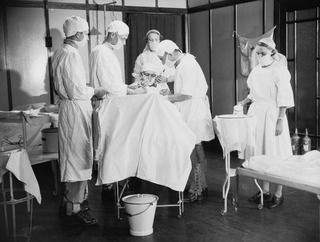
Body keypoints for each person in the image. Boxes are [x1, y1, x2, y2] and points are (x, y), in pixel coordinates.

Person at [52, 16, 106, 225]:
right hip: (75, 109)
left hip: (69, 109)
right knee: (77, 158)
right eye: (85, 34)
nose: (86, 38)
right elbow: (77, 90)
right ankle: (76, 208)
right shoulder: (72, 55)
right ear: (79, 34)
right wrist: (96, 90)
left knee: (72, 157)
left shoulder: (60, 52)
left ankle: (69, 203)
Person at [90, 20, 145, 200]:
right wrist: (129, 90)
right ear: (112, 34)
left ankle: (113, 181)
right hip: (107, 104)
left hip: (112, 103)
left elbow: (113, 82)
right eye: (122, 38)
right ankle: (109, 184)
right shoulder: (101, 52)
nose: (124, 42)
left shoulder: (106, 52)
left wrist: (128, 87)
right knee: (109, 145)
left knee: (111, 144)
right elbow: (108, 84)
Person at [156, 40, 215, 202]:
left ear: (171, 53)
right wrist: (167, 78)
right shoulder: (186, 60)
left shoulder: (186, 65)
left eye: (164, 57)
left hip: (192, 111)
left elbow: (186, 94)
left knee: (192, 149)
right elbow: (180, 76)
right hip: (194, 109)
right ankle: (202, 184)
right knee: (197, 147)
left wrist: (165, 98)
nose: (164, 61)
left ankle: (196, 189)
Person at [238, 37, 294, 208]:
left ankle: (278, 194)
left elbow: (284, 98)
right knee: (261, 153)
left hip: (273, 114)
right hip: (257, 114)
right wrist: (244, 102)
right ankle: (265, 191)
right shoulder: (256, 71)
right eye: (258, 53)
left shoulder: (279, 70)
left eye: (263, 52)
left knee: (275, 152)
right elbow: (253, 93)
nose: (261, 55)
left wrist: (279, 120)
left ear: (272, 52)